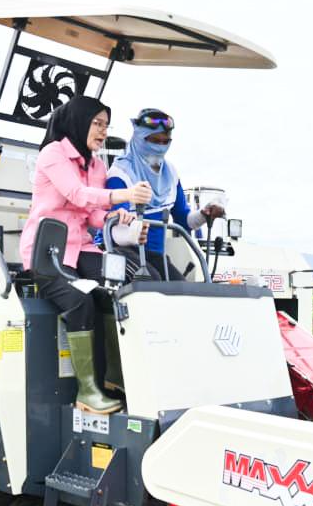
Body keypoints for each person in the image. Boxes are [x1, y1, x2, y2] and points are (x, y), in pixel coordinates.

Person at [19, 96, 151, 414]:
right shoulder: (52, 154)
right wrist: (124, 195)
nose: (103, 131)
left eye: (106, 125)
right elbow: (77, 195)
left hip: (82, 248)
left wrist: (116, 220)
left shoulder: (97, 165)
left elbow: (91, 214)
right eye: (97, 123)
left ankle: (117, 379)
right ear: (79, 122)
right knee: (80, 301)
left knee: (120, 289)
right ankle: (87, 392)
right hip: (48, 252)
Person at [103, 108, 226, 280]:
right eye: (154, 140)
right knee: (152, 282)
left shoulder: (171, 174)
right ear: (139, 138)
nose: (159, 147)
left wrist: (205, 215)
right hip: (122, 252)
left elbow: (184, 220)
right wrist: (133, 234)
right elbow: (114, 228)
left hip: (155, 256)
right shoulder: (120, 174)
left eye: (165, 142)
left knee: (181, 287)